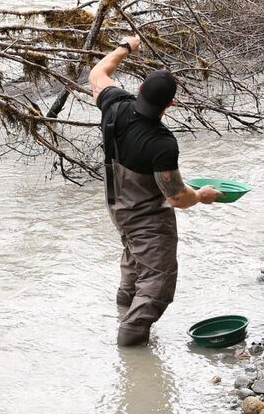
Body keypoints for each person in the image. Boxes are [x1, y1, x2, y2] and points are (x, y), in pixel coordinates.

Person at [88, 36, 220, 346]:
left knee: (134, 263)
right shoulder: (161, 143)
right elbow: (176, 197)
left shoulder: (115, 106)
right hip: (147, 217)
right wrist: (201, 195)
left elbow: (97, 74)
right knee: (158, 284)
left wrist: (126, 47)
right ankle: (130, 347)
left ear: (138, 91)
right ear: (170, 105)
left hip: (118, 207)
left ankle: (122, 312)